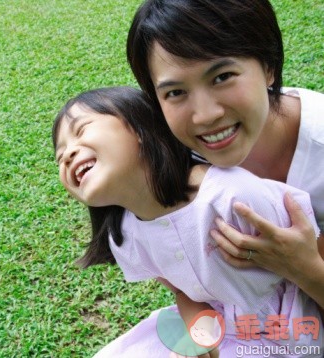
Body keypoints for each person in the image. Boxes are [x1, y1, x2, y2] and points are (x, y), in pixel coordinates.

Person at [52, 86, 323, 357]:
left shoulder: (234, 198)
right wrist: (201, 335)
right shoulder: (127, 234)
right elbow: (186, 295)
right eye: (60, 156)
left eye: (81, 131)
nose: (67, 155)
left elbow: (311, 256)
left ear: (140, 126)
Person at [126, 0, 324, 310]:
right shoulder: (175, 161)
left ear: (268, 67)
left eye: (222, 77)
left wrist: (305, 268)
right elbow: (189, 289)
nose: (204, 116)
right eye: (175, 92)